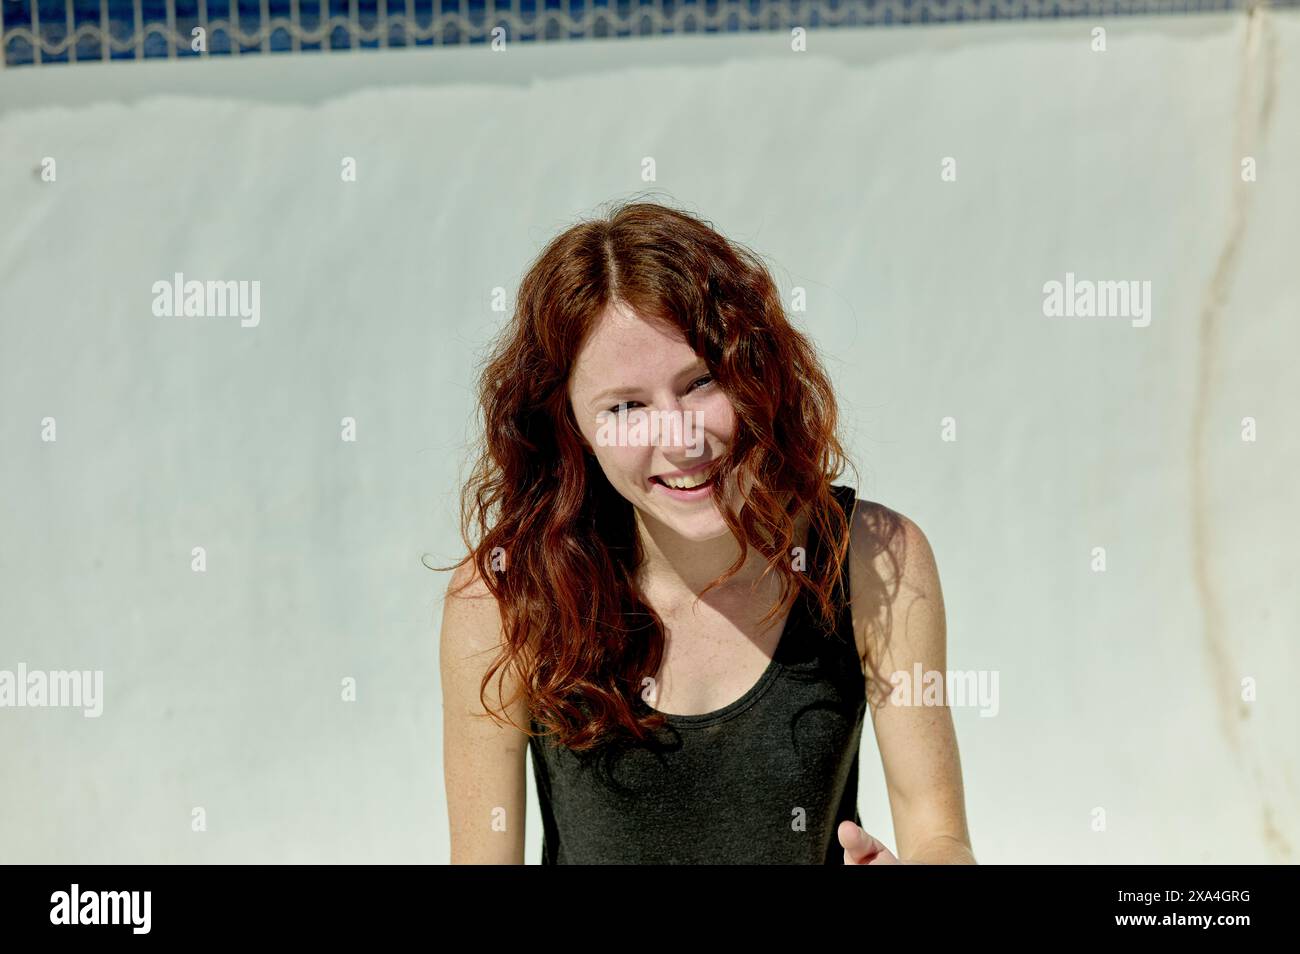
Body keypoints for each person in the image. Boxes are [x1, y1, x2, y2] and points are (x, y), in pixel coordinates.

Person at [439, 199, 974, 864]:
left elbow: (940, 836)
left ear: (753, 374)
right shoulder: (501, 597)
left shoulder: (871, 559)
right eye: (627, 406)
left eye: (699, 383)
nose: (680, 438)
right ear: (570, 423)